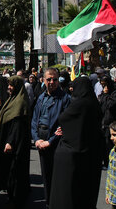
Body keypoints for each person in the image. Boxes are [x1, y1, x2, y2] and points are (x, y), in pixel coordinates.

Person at [50, 77, 103, 209]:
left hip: (71, 155)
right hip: (91, 154)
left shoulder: (79, 104)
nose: (72, 89)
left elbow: (64, 118)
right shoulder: (94, 104)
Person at [0, 75, 31, 206]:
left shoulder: (20, 103)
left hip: (16, 143)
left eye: (11, 85)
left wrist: (10, 142)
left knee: (16, 171)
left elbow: (17, 125)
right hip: (8, 140)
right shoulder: (12, 100)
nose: (9, 88)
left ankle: (17, 199)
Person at [31, 68, 71, 206]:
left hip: (55, 143)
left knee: (57, 178)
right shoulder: (41, 98)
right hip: (41, 140)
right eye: (49, 79)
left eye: (55, 79)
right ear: (43, 80)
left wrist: (50, 141)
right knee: (46, 177)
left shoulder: (65, 99)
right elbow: (34, 120)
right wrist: (36, 139)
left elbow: (64, 125)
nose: (52, 82)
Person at [99, 76, 116, 167]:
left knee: (110, 143)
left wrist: (107, 95)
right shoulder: (103, 93)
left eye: (105, 84)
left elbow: (111, 105)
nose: (104, 87)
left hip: (111, 121)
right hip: (103, 122)